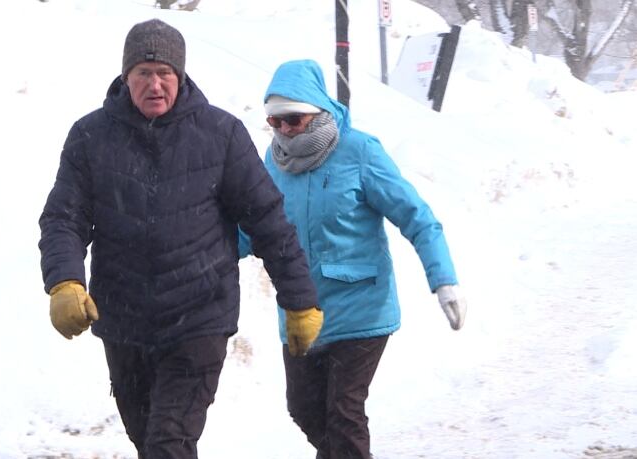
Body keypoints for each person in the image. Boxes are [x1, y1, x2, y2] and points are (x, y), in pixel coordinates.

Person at [38, 20, 323, 459]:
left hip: (198, 319)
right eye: (143, 73)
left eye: (164, 73)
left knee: (168, 443)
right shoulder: (90, 137)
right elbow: (64, 218)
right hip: (125, 323)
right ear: (125, 77)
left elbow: (267, 220)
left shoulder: (221, 135)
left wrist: (300, 299)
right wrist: (64, 281)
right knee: (148, 442)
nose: (154, 84)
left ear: (181, 76)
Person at [239, 59, 467, 459]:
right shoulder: (273, 162)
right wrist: (204, 263)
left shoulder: (359, 151)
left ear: (317, 110)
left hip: (361, 308)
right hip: (300, 310)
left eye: (293, 119)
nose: (285, 131)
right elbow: (251, 225)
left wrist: (443, 279)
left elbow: (416, 216)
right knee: (305, 409)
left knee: (344, 412)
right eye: (275, 123)